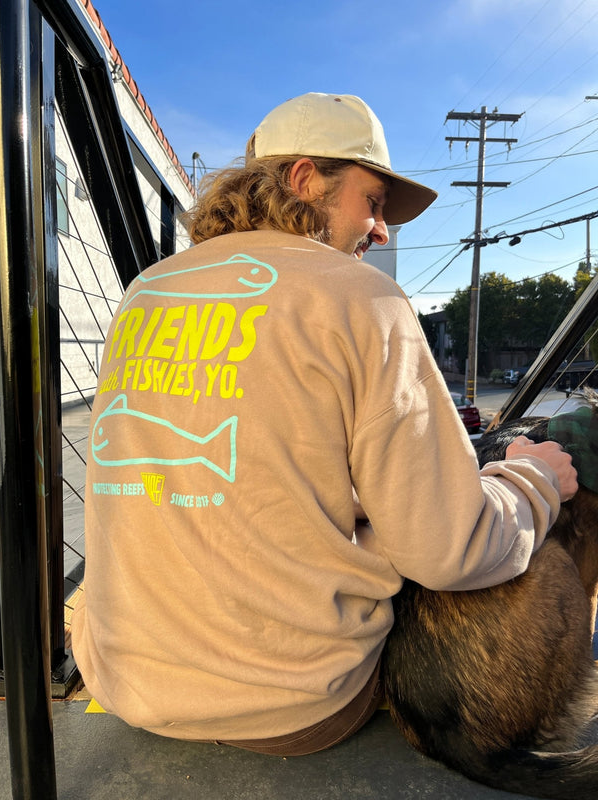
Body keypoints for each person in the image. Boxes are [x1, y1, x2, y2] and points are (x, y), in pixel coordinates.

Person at [72, 92, 577, 755]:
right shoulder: (363, 298)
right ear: (305, 179)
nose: (382, 230)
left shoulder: (145, 292)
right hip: (292, 709)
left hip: (126, 683)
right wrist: (532, 480)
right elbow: (449, 550)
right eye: (372, 201)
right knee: (522, 543)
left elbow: (243, 477)